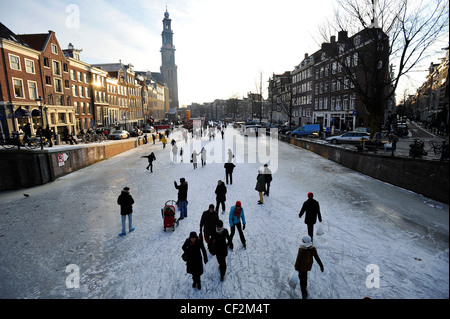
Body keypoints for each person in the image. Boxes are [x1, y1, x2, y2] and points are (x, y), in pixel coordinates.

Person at [294, 235, 324, 299]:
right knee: (305, 277)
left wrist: (296, 266)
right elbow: (317, 257)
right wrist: (321, 266)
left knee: (302, 280)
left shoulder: (301, 248)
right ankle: (304, 289)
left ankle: (304, 293)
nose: (302, 240)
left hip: (301, 267)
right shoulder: (312, 248)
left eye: (303, 239)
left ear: (304, 241)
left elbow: (298, 259)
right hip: (308, 266)